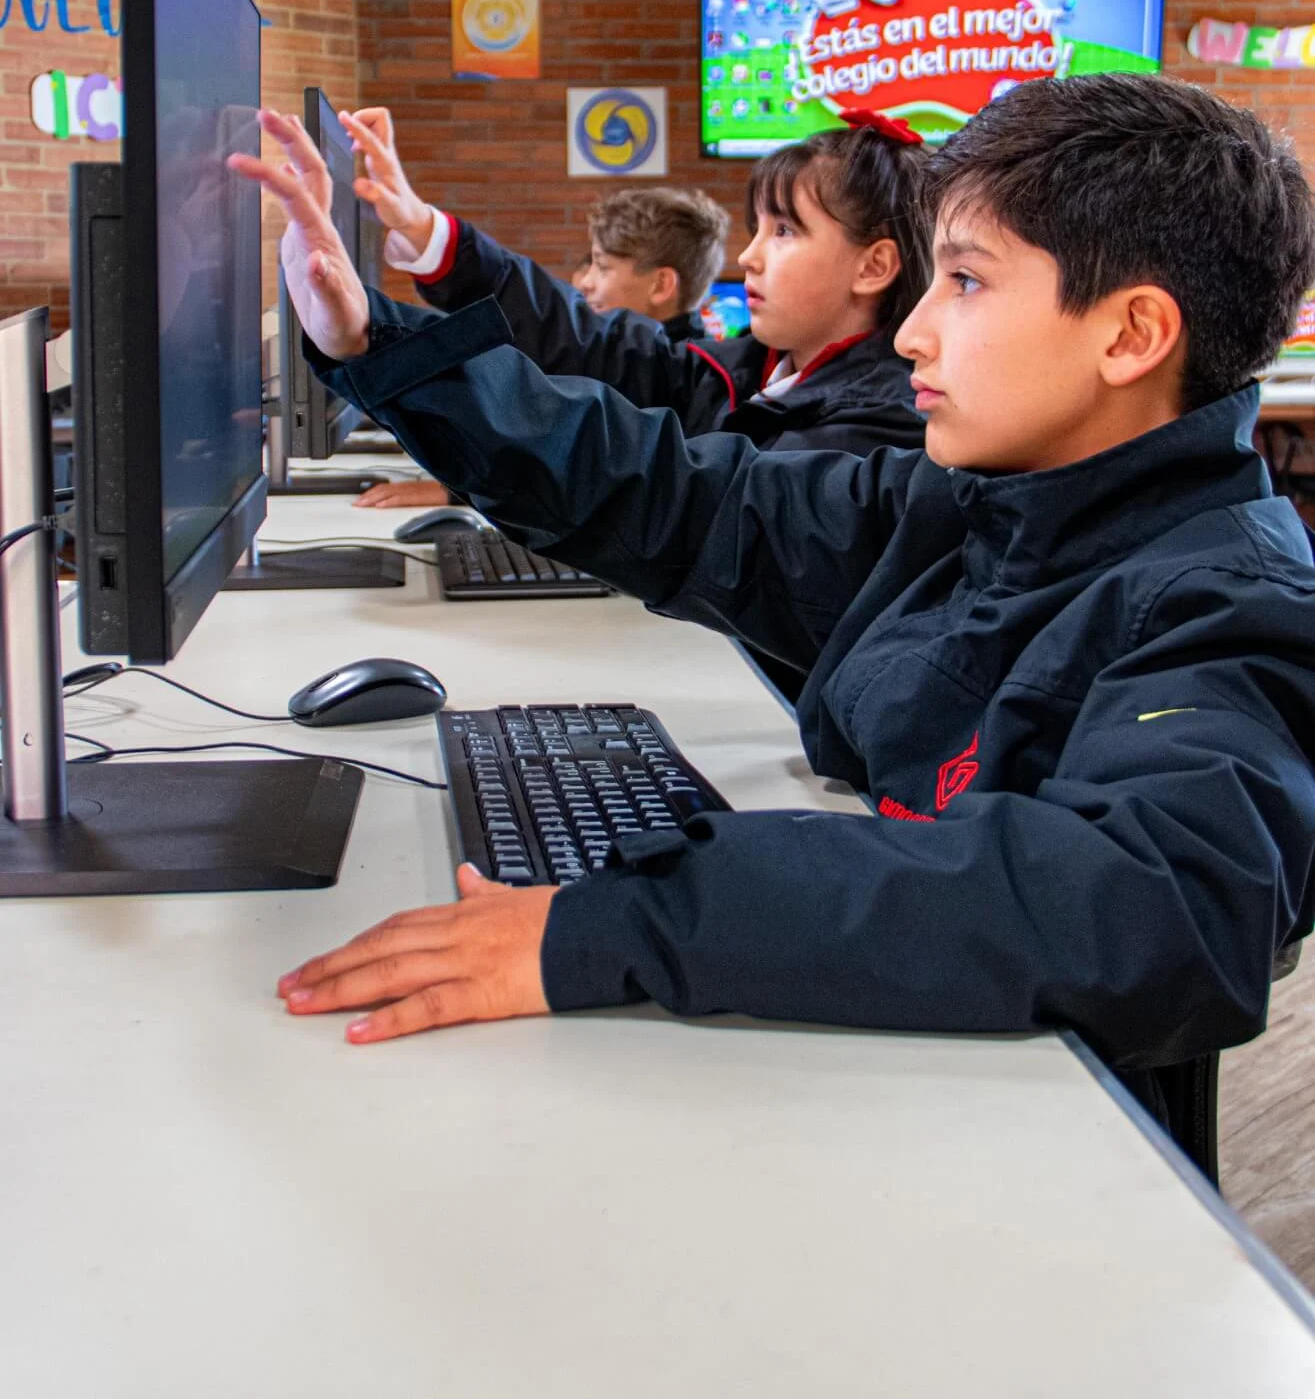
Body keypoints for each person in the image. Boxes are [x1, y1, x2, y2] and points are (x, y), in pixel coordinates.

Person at [232, 74, 1315, 1124]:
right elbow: (687, 498)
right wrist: (374, 344)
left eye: (967, 283)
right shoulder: (977, 504)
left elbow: (1150, 906)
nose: (911, 333)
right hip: (904, 1081)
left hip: (1041, 1163)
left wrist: (640, 916)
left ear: (1130, 335)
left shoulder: (1227, 605)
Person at [348, 106, 928, 513]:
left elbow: (689, 499)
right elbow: (584, 343)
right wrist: (431, 238)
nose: (748, 256)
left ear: (872, 267)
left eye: (784, 232)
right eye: (757, 229)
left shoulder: (878, 429)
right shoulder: (745, 368)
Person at [351, 109, 732, 509]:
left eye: (602, 268)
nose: (584, 282)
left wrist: (459, 492)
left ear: (661, 284)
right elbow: (567, 336)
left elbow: (593, 473)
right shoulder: (666, 366)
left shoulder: (681, 382)